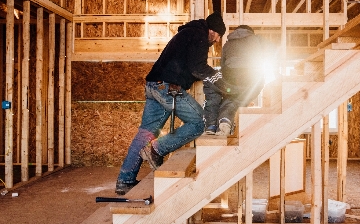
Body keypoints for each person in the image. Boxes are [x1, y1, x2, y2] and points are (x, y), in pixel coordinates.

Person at [115, 11, 236, 195]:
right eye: (218, 36)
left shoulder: (188, 33)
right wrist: (224, 85)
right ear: (212, 31)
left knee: (146, 132)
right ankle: (156, 149)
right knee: (199, 122)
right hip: (167, 88)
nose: (217, 41)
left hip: (153, 85)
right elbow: (198, 67)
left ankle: (125, 180)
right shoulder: (200, 35)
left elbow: (189, 66)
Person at [203, 25, 277, 136]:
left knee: (228, 97)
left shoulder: (227, 44)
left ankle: (214, 123)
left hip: (230, 77)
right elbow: (273, 50)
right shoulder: (257, 39)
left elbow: (223, 67)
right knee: (238, 100)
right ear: (250, 32)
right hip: (251, 78)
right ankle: (225, 120)